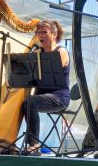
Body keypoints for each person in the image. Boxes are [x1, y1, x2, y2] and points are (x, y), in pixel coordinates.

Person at [23, 20, 70, 155]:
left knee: (29, 102)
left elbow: (46, 76)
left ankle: (34, 143)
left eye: (44, 32)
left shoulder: (61, 52)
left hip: (59, 98)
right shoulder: (38, 52)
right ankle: (6, 141)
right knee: (27, 102)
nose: (40, 35)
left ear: (54, 34)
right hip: (42, 98)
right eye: (38, 33)